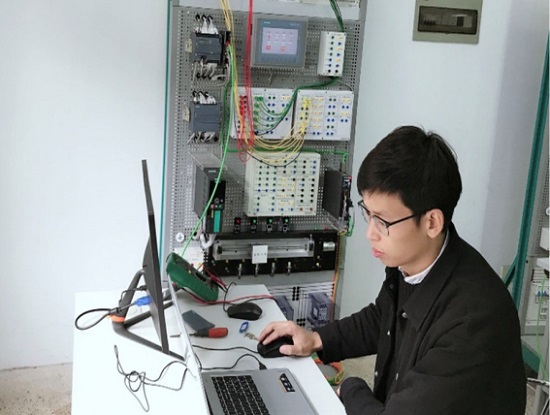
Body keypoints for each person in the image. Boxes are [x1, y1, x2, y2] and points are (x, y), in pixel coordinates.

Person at [258, 126, 526, 414]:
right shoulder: (416, 262)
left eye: (383, 221)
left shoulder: (472, 323)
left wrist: (349, 387)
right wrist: (317, 339)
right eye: (368, 214)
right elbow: (384, 317)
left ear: (432, 222)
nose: (370, 234)